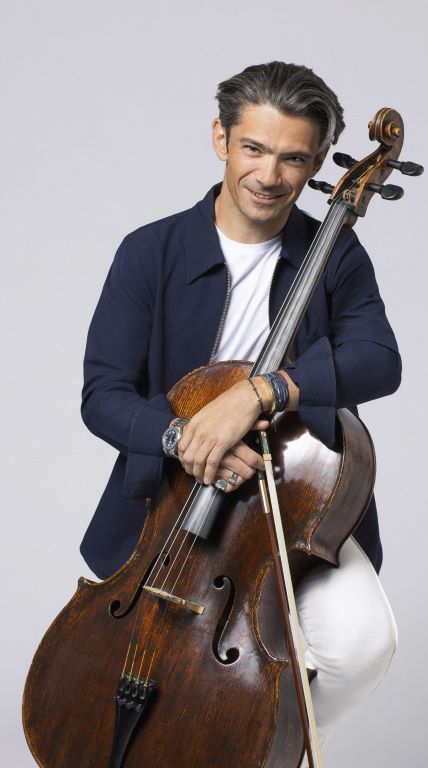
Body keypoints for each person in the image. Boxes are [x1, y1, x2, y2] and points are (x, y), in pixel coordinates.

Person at [80, 61, 401, 761]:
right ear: (221, 138)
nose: (270, 175)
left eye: (294, 158)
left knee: (361, 645)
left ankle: (246, 751)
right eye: (254, 148)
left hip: (292, 499)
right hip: (169, 501)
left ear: (318, 162)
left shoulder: (335, 253)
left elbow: (380, 360)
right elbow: (103, 395)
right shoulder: (150, 251)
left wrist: (263, 391)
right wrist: (185, 436)